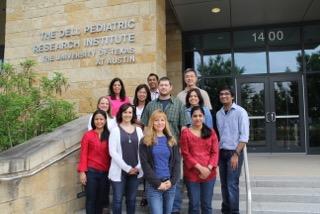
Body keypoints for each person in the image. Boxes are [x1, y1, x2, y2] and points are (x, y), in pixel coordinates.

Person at [141, 76, 188, 214]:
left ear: (171, 87)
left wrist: (181, 148)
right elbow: (145, 125)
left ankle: (175, 210)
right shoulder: (150, 105)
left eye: (166, 85)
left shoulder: (179, 104)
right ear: (158, 87)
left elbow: (184, 127)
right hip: (153, 147)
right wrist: (146, 141)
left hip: (172, 148)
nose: (163, 87)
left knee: (174, 179)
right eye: (161, 85)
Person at [139, 110, 181, 214]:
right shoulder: (145, 141)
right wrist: (158, 184)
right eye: (156, 120)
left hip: (169, 184)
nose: (159, 123)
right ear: (152, 122)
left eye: (162, 120)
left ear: (165, 122)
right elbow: (145, 165)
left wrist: (172, 182)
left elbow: (177, 163)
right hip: (154, 185)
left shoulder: (171, 140)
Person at [216, 86, 249, 214]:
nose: (223, 96)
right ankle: (226, 210)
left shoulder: (241, 112)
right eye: (221, 94)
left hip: (234, 153)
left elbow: (244, 137)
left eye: (226, 94)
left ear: (232, 96)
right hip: (222, 152)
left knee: (232, 184)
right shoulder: (219, 114)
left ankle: (234, 211)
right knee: (224, 185)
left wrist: (236, 154)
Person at [180, 106, 219, 214]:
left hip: (209, 174)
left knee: (207, 205)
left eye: (200, 116)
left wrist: (209, 168)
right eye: (195, 116)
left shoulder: (211, 132)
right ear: (191, 117)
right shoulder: (186, 133)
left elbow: (215, 152)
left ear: (204, 117)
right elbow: (185, 154)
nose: (198, 118)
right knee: (194, 205)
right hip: (192, 174)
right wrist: (200, 168)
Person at [108, 103, 144, 214]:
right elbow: (112, 152)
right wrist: (127, 168)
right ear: (121, 114)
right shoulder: (115, 130)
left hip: (136, 171)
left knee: (132, 200)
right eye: (125, 112)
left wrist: (138, 167)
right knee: (118, 200)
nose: (127, 114)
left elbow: (143, 150)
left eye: (130, 112)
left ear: (133, 114)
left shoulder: (138, 130)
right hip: (119, 171)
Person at [78, 109, 111, 214]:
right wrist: (82, 172)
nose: (99, 121)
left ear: (105, 121)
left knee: (100, 201)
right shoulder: (88, 135)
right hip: (91, 172)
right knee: (91, 200)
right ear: (93, 121)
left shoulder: (110, 135)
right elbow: (83, 154)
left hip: (105, 173)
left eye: (101, 119)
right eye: (96, 119)